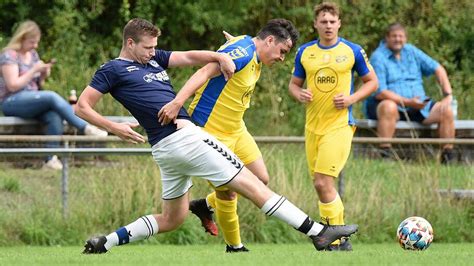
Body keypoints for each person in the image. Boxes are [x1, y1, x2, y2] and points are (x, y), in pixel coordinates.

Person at [76, 18, 358, 254]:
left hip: (167, 149)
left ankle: (105, 243)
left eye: (155, 47)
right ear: (130, 43)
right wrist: (114, 128)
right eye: (148, 47)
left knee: (172, 219)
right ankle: (319, 233)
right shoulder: (112, 69)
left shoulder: (152, 60)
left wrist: (219, 53)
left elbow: (187, 57)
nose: (153, 52)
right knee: (254, 186)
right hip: (184, 139)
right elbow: (82, 107)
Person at [157, 18, 299, 252]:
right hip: (211, 130)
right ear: (270, 40)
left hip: (236, 128)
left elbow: (239, 47)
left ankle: (204, 205)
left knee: (260, 179)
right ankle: (235, 247)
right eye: (282, 51)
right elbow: (204, 71)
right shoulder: (243, 53)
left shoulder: (249, 49)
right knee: (228, 192)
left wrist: (232, 47)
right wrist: (177, 102)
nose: (282, 58)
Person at [288, 2, 377, 251]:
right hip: (312, 127)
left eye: (332, 21)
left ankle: (335, 238)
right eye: (323, 21)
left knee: (322, 182)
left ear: (339, 23)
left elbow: (372, 82)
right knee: (320, 185)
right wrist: (299, 93)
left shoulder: (352, 51)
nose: (328, 25)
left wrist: (351, 99)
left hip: (339, 125)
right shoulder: (305, 52)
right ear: (315, 24)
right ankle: (339, 240)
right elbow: (293, 84)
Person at [0, 20, 107, 170]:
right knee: (50, 96)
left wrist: (43, 74)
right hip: (11, 101)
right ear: (22, 38)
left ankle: (50, 160)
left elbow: (37, 86)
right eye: (32, 42)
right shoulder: (9, 55)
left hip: (31, 100)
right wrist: (33, 70)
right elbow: (13, 85)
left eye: (37, 42)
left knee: (53, 115)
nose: (35, 46)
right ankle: (85, 127)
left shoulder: (33, 55)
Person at [364, 22, 455, 163]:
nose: (398, 40)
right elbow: (380, 91)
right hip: (389, 106)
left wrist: (448, 95)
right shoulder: (378, 57)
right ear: (387, 38)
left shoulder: (411, 51)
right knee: (388, 106)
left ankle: (447, 157)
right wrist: (408, 102)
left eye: (401, 36)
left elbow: (438, 68)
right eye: (394, 36)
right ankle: (385, 154)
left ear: (405, 38)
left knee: (447, 111)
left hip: (418, 104)